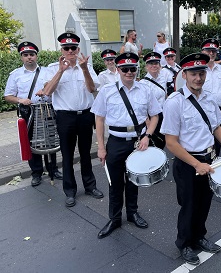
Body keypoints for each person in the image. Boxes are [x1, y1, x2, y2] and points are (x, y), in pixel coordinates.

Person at [160, 53, 221, 265]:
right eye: (193, 74)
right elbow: (171, 142)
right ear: (184, 75)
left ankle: (199, 236)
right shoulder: (174, 102)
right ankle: (185, 243)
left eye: (201, 73)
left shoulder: (208, 98)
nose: (198, 78)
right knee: (189, 204)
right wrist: (197, 163)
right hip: (189, 163)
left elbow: (216, 127)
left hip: (210, 159)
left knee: (205, 202)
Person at [92, 52, 161, 239]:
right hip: (115, 141)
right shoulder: (107, 90)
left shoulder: (145, 90)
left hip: (138, 141)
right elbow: (99, 119)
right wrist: (101, 147)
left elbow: (155, 115)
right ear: (118, 69)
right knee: (115, 183)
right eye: (125, 69)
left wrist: (147, 135)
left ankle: (132, 213)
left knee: (133, 180)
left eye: (133, 69)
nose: (129, 72)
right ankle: (114, 218)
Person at [43, 32, 103, 207]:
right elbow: (47, 92)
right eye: (66, 48)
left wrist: (84, 69)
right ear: (62, 50)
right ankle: (70, 191)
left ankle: (90, 186)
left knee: (86, 154)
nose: (70, 51)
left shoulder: (87, 66)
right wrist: (60, 72)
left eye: (73, 48)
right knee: (67, 155)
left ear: (78, 49)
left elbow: (92, 89)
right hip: (65, 117)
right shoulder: (53, 67)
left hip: (85, 115)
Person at [4, 41, 62, 186]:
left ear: (36, 56)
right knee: (31, 141)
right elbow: (7, 96)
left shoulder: (46, 71)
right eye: (26, 55)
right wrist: (20, 100)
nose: (29, 57)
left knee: (50, 139)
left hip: (46, 109)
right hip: (28, 111)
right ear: (21, 57)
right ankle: (36, 172)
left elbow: (54, 86)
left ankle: (53, 169)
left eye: (32, 54)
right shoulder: (15, 74)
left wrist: (46, 88)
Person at [139, 52, 171, 149]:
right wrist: (147, 122)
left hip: (163, 115)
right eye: (151, 63)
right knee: (153, 143)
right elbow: (141, 105)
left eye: (156, 63)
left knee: (162, 142)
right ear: (147, 67)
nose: (154, 66)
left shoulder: (163, 78)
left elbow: (165, 96)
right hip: (151, 117)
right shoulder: (143, 83)